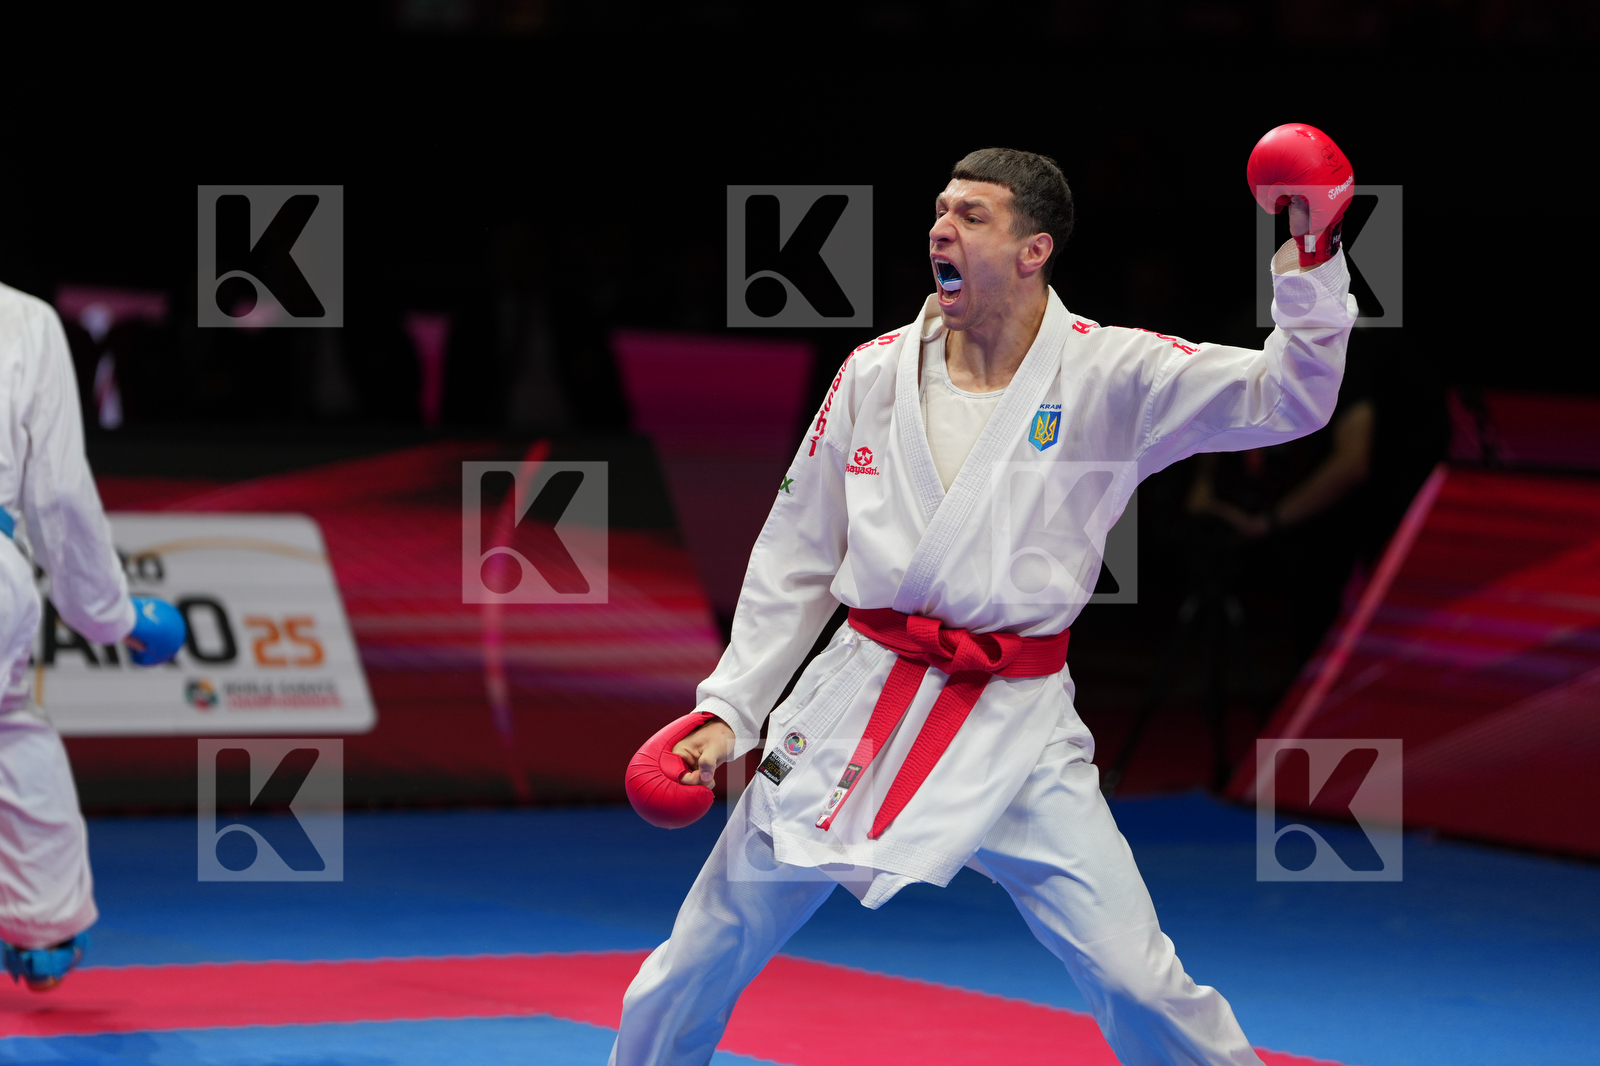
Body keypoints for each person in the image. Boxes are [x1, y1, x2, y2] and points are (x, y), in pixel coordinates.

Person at [614, 139, 1357, 1065]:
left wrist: (1313, 256)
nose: (942, 227)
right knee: (701, 951)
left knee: (1137, 976)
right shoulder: (873, 372)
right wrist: (728, 708)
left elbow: (1289, 397)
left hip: (1018, 724)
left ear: (1033, 249)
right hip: (853, 702)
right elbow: (794, 556)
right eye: (940, 210)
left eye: (972, 215)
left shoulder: (1113, 375)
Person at [0, 282, 185, 990]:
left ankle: (45, 921)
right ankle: (44, 928)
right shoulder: (21, 319)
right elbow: (57, 496)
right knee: (11, 721)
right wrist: (117, 617)